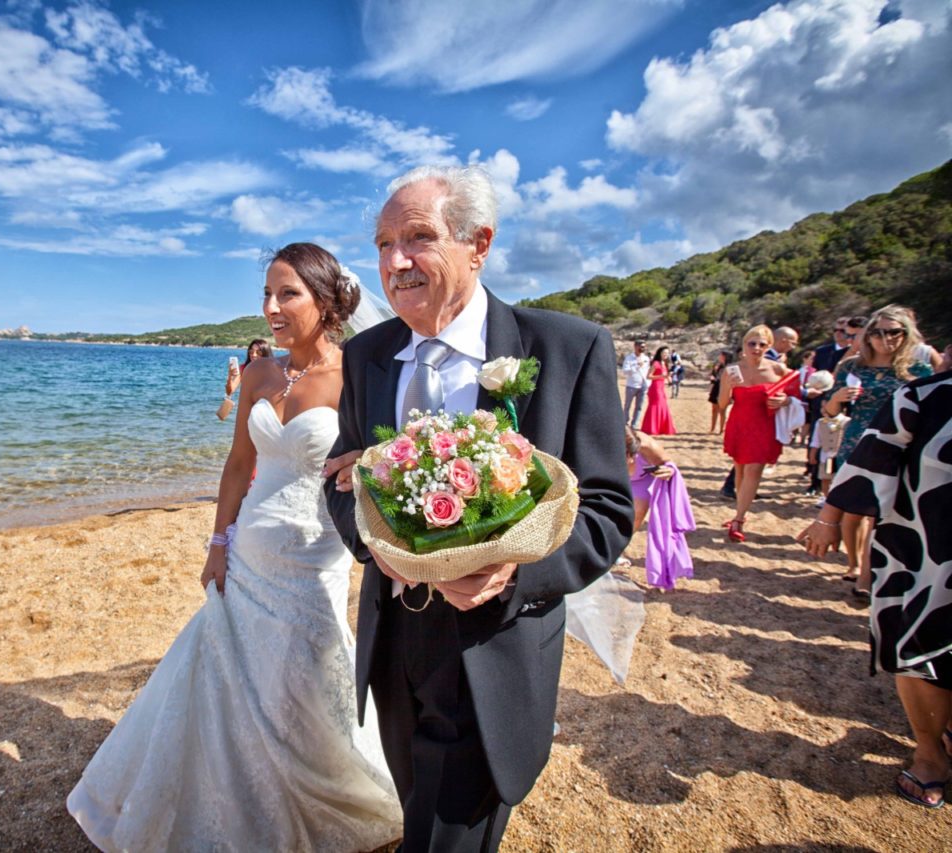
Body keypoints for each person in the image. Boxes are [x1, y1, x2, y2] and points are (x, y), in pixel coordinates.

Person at [321, 165, 633, 851]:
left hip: (497, 642)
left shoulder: (567, 348)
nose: (393, 262)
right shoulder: (367, 355)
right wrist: (372, 538)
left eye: (417, 238)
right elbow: (340, 477)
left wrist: (513, 576)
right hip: (394, 636)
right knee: (417, 811)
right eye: (381, 244)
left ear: (478, 242)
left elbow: (608, 510)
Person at [68, 244, 403, 850]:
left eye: (287, 294)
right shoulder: (258, 372)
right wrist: (218, 541)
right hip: (248, 548)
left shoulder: (356, 375)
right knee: (228, 669)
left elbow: (378, 463)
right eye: (266, 295)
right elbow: (236, 465)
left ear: (327, 302)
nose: (271, 308)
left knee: (300, 677)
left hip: (314, 554)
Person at [798, 365, 952, 809]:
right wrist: (828, 519)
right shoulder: (924, 397)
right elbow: (869, 460)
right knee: (918, 647)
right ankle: (929, 753)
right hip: (925, 556)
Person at [819, 306, 933, 597]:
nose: (887, 338)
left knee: (879, 515)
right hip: (857, 443)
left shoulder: (917, 371)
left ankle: (866, 579)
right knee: (852, 511)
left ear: (906, 335)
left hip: (899, 448)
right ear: (868, 336)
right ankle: (854, 564)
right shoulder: (851, 367)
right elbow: (829, 413)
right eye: (879, 332)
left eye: (895, 332)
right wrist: (837, 399)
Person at [717, 324, 800, 542]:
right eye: (751, 343)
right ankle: (738, 510)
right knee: (741, 470)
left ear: (769, 346)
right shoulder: (732, 370)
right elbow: (723, 403)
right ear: (744, 345)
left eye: (762, 344)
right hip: (740, 423)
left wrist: (786, 400)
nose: (756, 348)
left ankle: (739, 519)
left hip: (764, 425)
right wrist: (728, 387)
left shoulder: (778, 370)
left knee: (754, 470)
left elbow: (798, 395)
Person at [623, 426, 694, 590]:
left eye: (633, 455)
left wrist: (667, 471)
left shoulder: (647, 445)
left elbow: (668, 464)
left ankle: (618, 548)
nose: (632, 460)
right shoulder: (601, 443)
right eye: (626, 456)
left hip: (640, 480)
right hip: (614, 478)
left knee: (636, 515)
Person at [805, 316, 865, 496]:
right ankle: (817, 481)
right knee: (821, 440)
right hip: (829, 403)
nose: (844, 336)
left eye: (850, 334)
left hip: (859, 413)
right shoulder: (835, 355)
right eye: (839, 331)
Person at [640, 345, 677, 435]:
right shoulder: (656, 363)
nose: (666, 354)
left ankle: (661, 428)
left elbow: (665, 375)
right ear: (659, 353)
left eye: (667, 353)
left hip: (661, 387)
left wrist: (669, 379)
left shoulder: (664, 364)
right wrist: (662, 376)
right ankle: (652, 428)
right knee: (656, 406)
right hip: (655, 388)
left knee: (663, 406)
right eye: (664, 353)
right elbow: (648, 376)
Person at [621, 340, 650, 426]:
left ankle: (634, 424)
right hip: (631, 385)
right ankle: (625, 422)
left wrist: (648, 383)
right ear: (635, 347)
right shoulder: (629, 358)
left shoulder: (646, 358)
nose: (643, 348)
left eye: (644, 347)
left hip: (643, 385)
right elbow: (625, 371)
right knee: (627, 406)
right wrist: (636, 366)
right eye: (641, 347)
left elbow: (647, 371)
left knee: (639, 407)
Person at [708, 351, 732, 434]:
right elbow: (715, 376)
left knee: (722, 410)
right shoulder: (718, 366)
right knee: (714, 409)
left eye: (721, 355)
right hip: (716, 388)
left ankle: (722, 429)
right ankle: (712, 428)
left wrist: (715, 379)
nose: (719, 357)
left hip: (724, 389)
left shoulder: (729, 367)